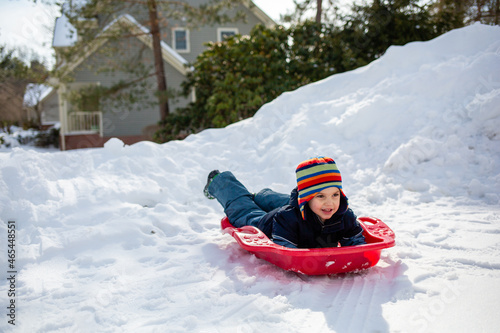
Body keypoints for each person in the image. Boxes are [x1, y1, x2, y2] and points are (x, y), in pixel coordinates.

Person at [203, 156, 366, 248]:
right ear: (307, 198)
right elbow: (286, 251)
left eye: (335, 195)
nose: (330, 203)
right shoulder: (287, 218)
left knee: (292, 203)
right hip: (268, 224)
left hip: (303, 210)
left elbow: (356, 241)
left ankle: (262, 196)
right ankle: (219, 181)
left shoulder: (344, 214)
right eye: (321, 196)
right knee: (243, 210)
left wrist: (357, 249)